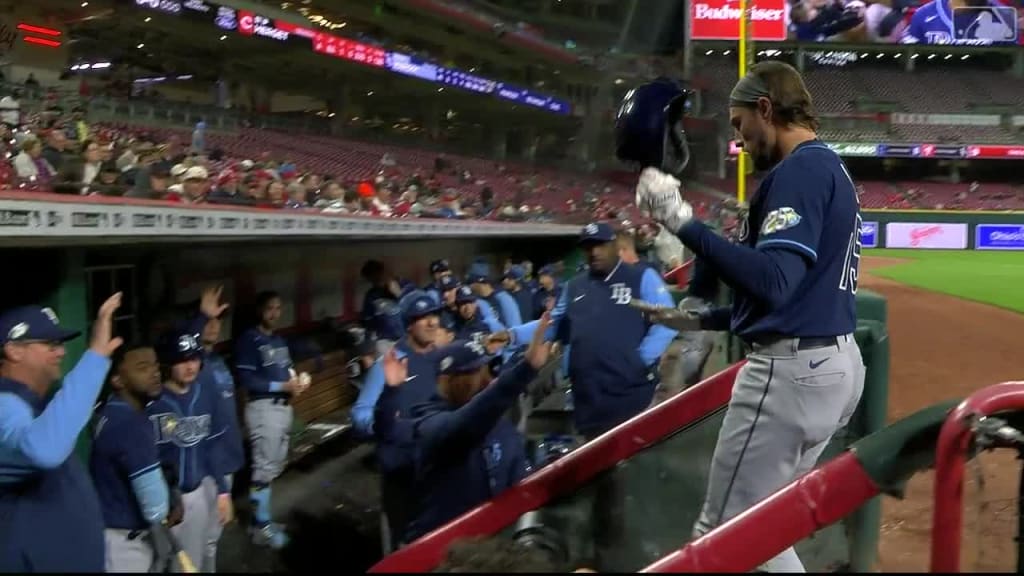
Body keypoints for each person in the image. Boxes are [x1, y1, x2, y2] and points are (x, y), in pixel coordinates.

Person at [626, 65, 866, 572]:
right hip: (830, 364)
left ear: (765, 108)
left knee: (722, 538)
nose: (737, 139)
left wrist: (681, 222)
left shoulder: (800, 169)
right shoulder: (827, 166)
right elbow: (796, 292)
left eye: (739, 124)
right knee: (763, 532)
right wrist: (706, 320)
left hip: (791, 373)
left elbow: (776, 283)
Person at [375, 313, 552, 545]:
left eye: (479, 372)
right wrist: (525, 370)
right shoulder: (429, 423)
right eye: (466, 375)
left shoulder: (501, 428)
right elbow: (465, 424)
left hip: (493, 545)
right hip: (439, 553)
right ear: (444, 381)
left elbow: (519, 482)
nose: (477, 381)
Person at [0, 293, 123, 572]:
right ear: (13, 350)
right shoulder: (4, 404)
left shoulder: (30, 402)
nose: (61, 352)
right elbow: (45, 449)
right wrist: (94, 359)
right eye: (49, 344)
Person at [349, 290, 444, 553]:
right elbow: (360, 415)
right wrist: (391, 424)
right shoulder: (389, 362)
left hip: (437, 468)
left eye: (434, 315)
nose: (433, 322)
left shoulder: (442, 357)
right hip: (401, 474)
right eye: (423, 317)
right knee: (403, 549)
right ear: (409, 324)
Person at [148, 323, 234, 569]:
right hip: (160, 501)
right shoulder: (152, 403)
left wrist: (222, 490)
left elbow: (214, 446)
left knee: (190, 562)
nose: (190, 366)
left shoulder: (206, 395)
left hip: (196, 495)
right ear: (167, 363)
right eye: (181, 360)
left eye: (194, 358)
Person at [234, 291, 308, 549]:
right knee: (263, 471)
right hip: (263, 409)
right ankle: (259, 526)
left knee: (271, 468)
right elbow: (247, 380)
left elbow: (285, 372)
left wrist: (296, 383)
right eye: (269, 308)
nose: (275, 314)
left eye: (278, 308)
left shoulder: (278, 340)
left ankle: (264, 521)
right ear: (259, 310)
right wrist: (282, 386)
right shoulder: (249, 339)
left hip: (282, 408)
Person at [90, 342, 171, 572]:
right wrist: (170, 501)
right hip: (125, 543)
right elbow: (156, 507)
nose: (155, 372)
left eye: (155, 365)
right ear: (118, 380)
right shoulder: (131, 424)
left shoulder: (110, 411)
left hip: (109, 534)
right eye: (142, 367)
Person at [198, 306, 243, 573]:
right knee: (201, 537)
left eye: (217, 323)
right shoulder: (193, 365)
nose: (214, 328)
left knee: (213, 535)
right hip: (207, 461)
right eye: (208, 322)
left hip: (227, 454)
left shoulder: (217, 361)